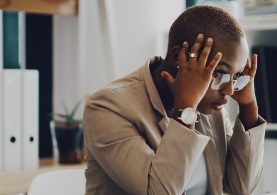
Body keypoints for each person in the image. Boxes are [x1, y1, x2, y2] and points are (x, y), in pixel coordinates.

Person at [83, 5, 266, 195]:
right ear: (178, 57)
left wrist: (248, 105)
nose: (228, 90)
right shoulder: (107, 107)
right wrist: (186, 107)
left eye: (236, 76)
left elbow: (241, 188)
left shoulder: (210, 105)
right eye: (219, 72)